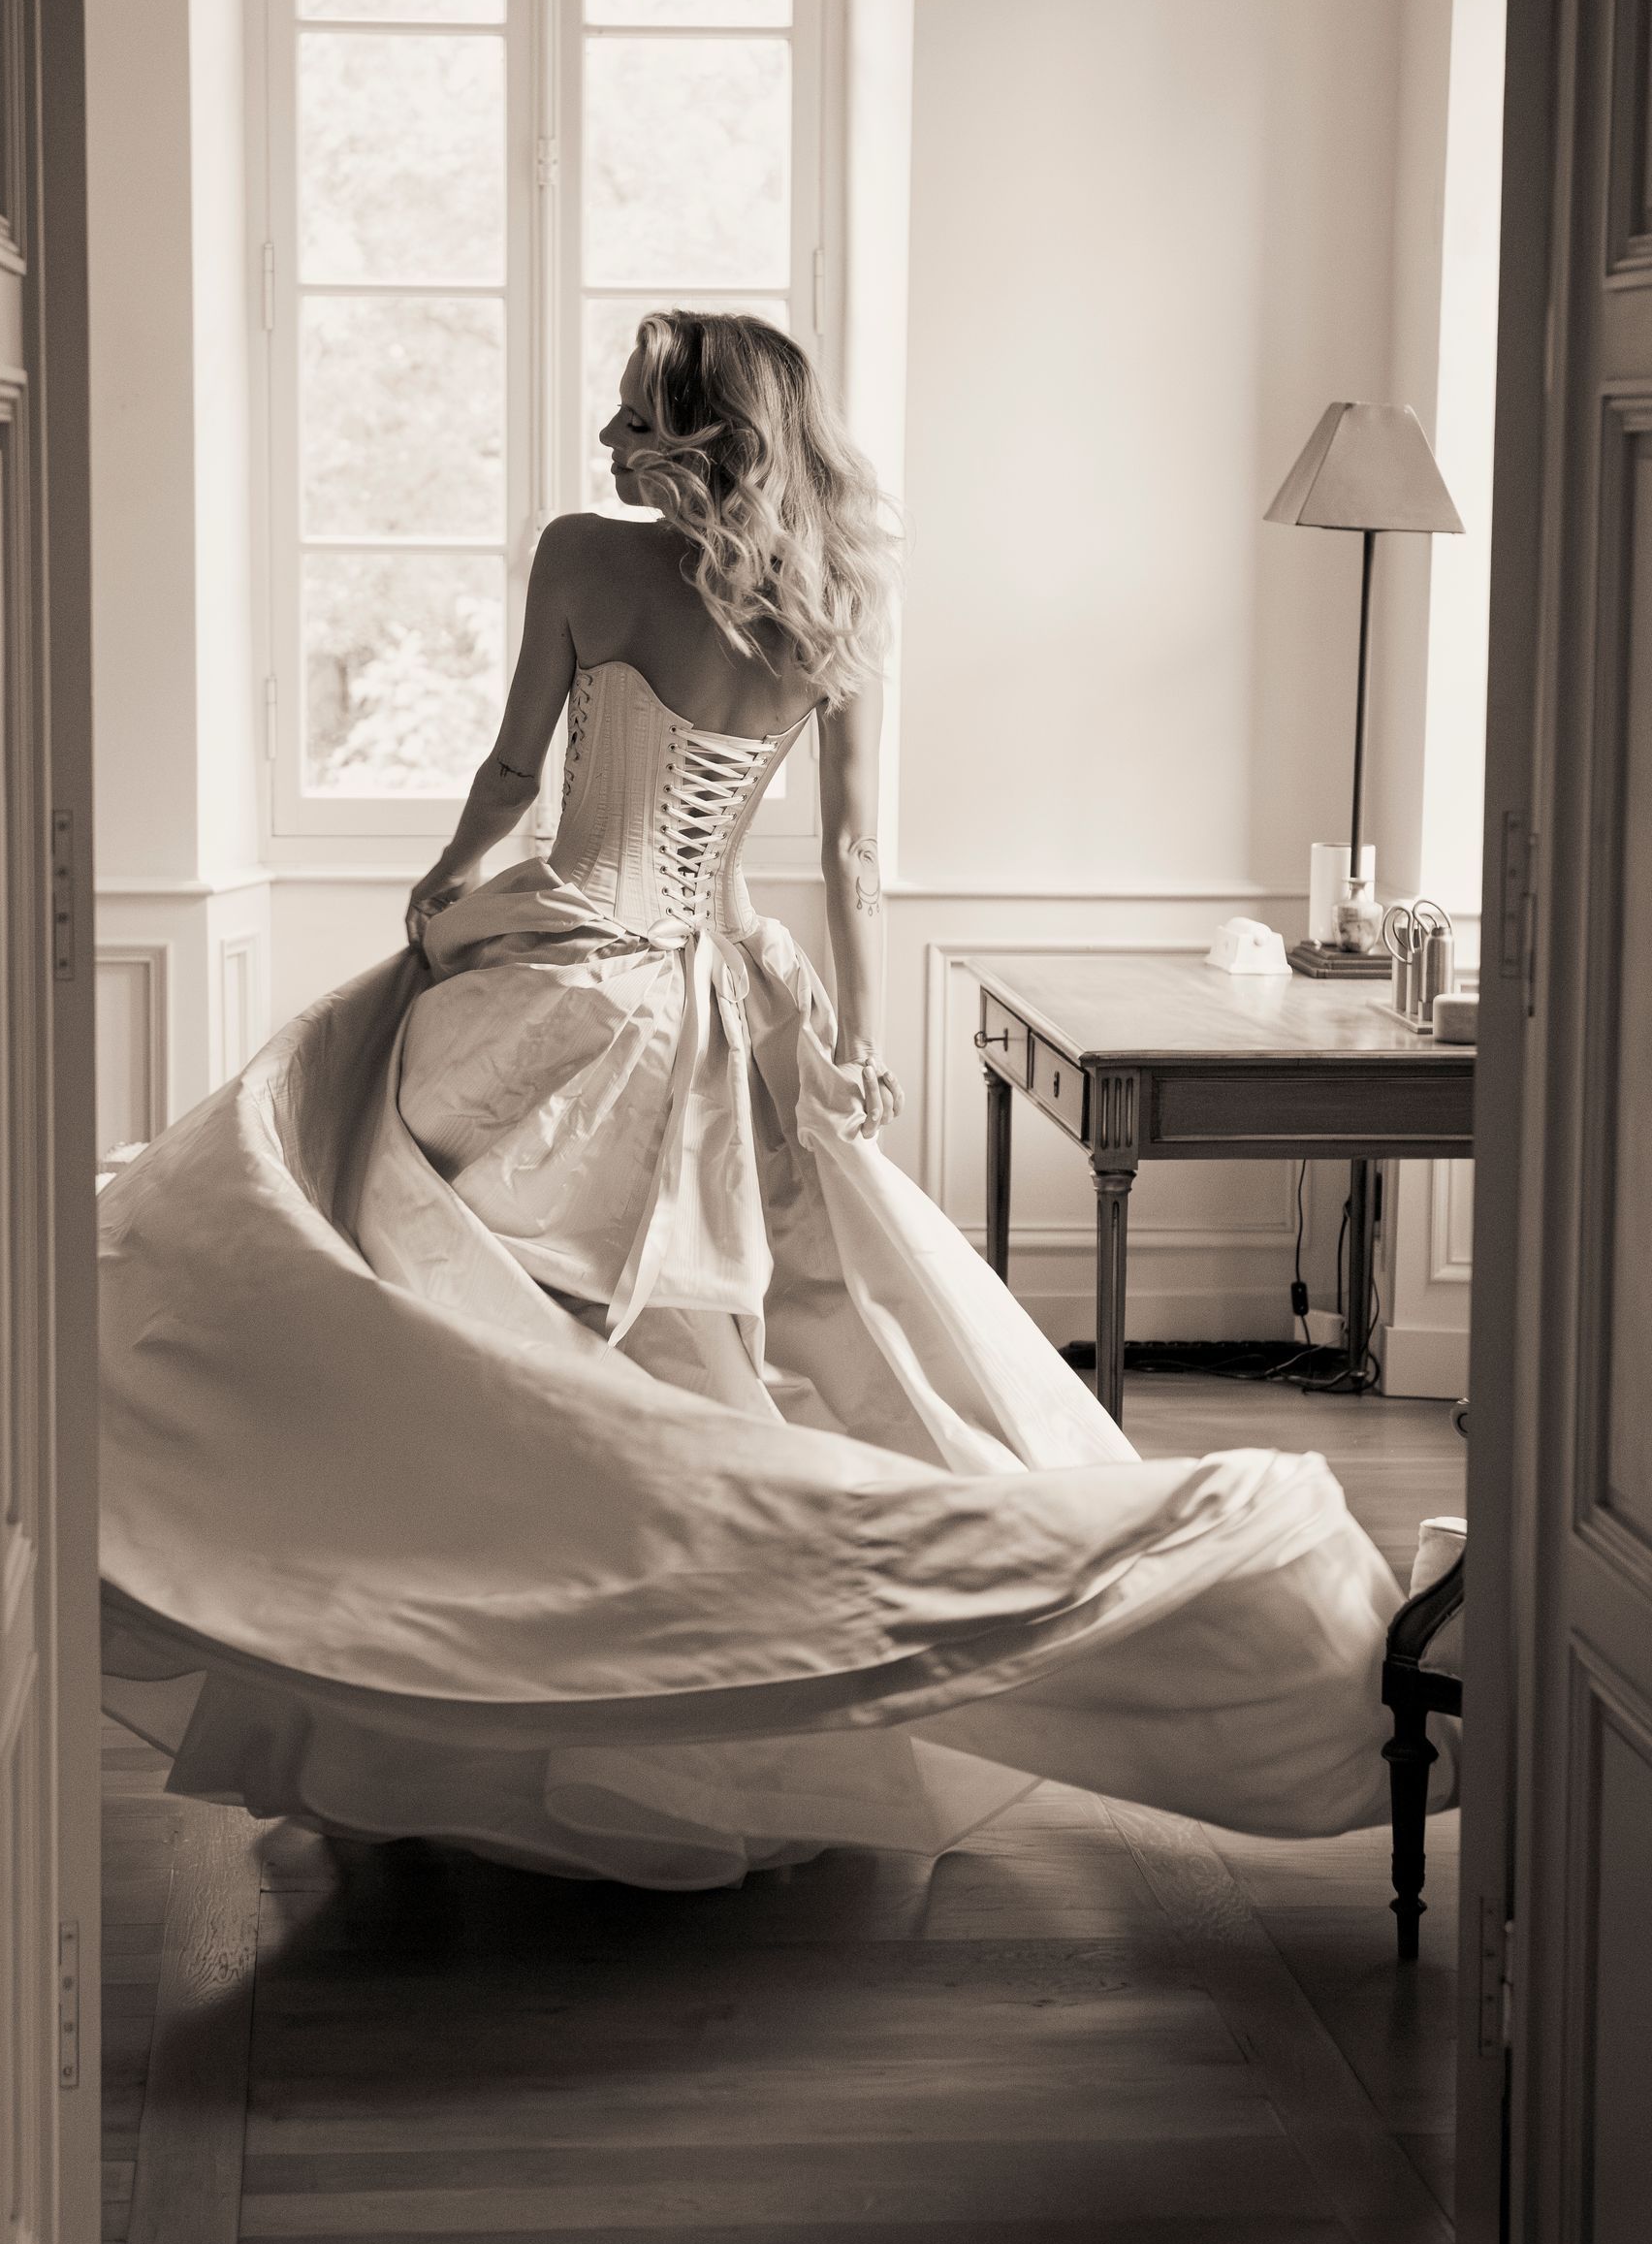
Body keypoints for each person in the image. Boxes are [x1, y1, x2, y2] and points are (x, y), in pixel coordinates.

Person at [99, 310, 1447, 1887]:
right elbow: (853, 861)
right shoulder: (835, 610)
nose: (611, 437)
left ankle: (430, 1678)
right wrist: (857, 1040)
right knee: (654, 1383)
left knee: (430, 1320)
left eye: (633, 412)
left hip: (557, 977)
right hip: (692, 1003)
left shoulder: (583, 563)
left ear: (687, 430)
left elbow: (513, 777)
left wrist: (445, 883)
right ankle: (664, 1712)